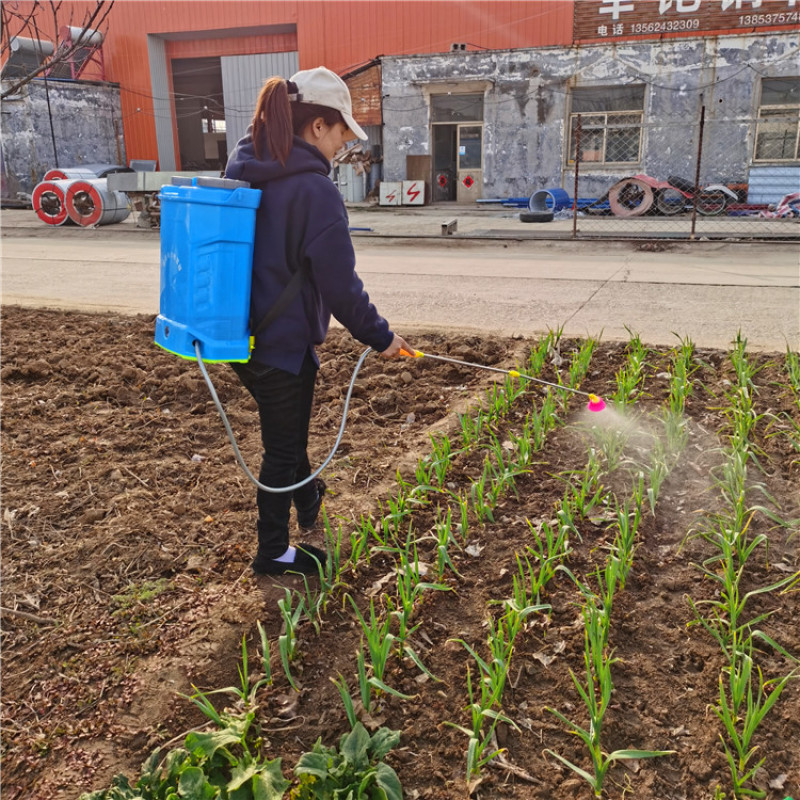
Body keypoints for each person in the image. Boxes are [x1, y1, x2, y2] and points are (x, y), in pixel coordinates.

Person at [224, 66, 412, 577]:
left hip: (237, 338)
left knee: (287, 429)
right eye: (340, 135)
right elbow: (341, 287)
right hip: (282, 345)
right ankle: (274, 552)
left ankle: (308, 502)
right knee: (281, 449)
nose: (341, 148)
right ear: (317, 127)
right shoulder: (314, 191)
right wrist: (383, 338)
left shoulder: (243, 169)